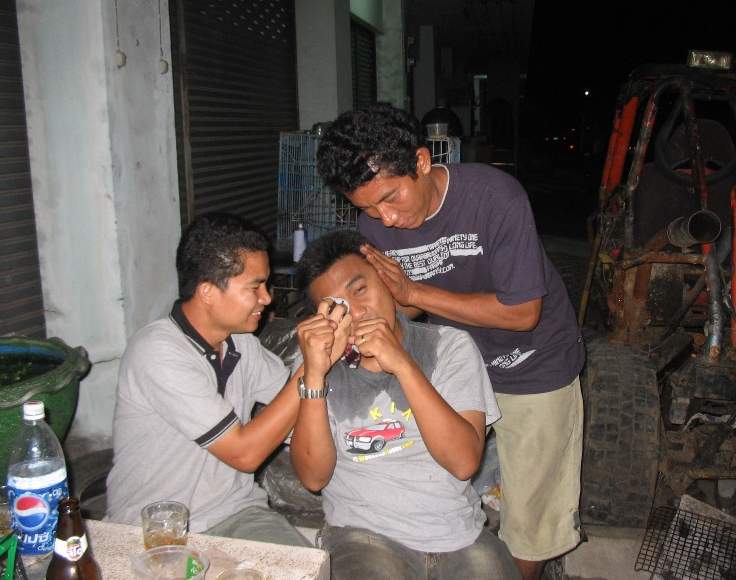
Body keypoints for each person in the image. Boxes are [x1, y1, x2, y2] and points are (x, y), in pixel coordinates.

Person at [316, 103, 586, 580]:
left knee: (532, 518)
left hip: (532, 364)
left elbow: (523, 312)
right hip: (449, 364)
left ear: (421, 162)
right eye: (367, 208)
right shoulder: (375, 225)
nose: (385, 219)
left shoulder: (495, 197)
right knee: (442, 486)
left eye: (391, 198)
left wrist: (413, 293)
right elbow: (401, 310)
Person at [105, 213, 348, 547]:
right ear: (207, 291)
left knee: (308, 567)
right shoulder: (157, 352)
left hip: (236, 511)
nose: (267, 298)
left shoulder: (241, 343)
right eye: (254, 287)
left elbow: (300, 407)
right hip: (155, 526)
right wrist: (312, 369)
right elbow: (244, 453)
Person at [290, 230, 520, 580]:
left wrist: (402, 363)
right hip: (363, 534)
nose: (357, 312)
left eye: (360, 289)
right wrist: (315, 376)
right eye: (338, 307)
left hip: (457, 533)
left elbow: (463, 462)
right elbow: (313, 477)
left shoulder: (449, 346)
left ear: (386, 280)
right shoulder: (316, 364)